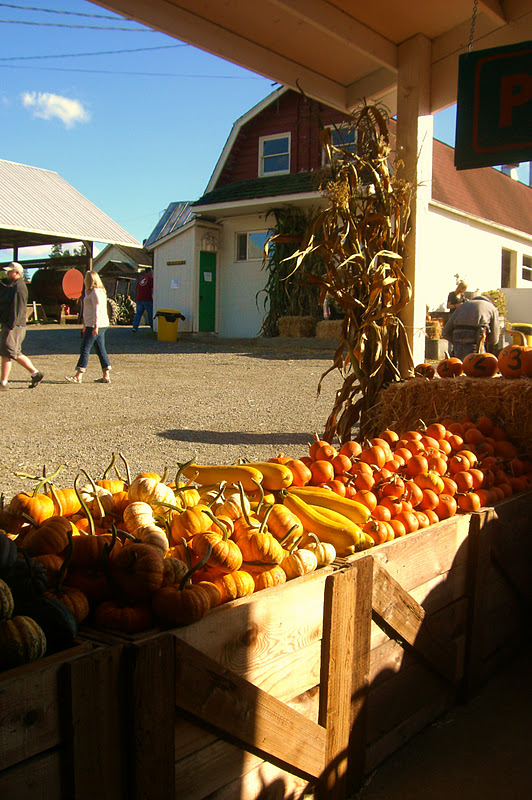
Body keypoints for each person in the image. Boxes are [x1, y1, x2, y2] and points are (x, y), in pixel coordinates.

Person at [0, 262, 44, 390]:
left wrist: (10, 326)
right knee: (14, 353)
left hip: (14, 325)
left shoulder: (19, 288)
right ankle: (35, 374)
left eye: (10, 271)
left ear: (17, 273)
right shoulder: (13, 285)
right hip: (14, 325)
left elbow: (17, 309)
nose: (7, 273)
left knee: (6, 353)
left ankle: (3, 383)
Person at [66, 270, 111, 384]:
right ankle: (106, 375)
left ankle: (78, 375)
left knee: (85, 348)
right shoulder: (99, 292)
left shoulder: (95, 292)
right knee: (100, 349)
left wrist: (95, 326)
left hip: (94, 324)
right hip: (98, 324)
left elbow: (97, 309)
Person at [442, 294, 500, 361]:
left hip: (458, 340)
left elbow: (445, 332)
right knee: (477, 364)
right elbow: (494, 339)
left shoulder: (462, 306)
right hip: (476, 340)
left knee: (459, 365)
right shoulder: (492, 308)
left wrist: (456, 342)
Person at [132, 267, 153, 332]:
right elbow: (153, 288)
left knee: (138, 314)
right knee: (150, 314)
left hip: (139, 298)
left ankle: (135, 327)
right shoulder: (150, 279)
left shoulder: (141, 278)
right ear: (149, 271)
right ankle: (153, 327)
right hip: (147, 298)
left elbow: (137, 287)